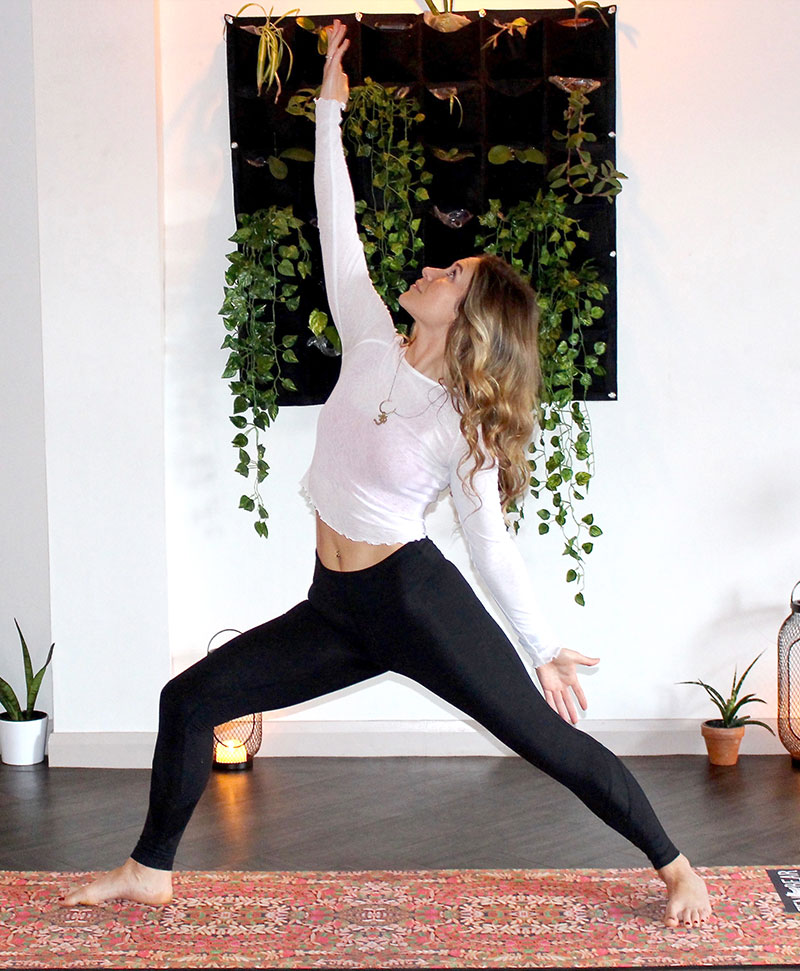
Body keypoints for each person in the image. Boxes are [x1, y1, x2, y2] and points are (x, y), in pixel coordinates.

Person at [63, 21, 711, 929]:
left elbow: (490, 544)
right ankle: (149, 869)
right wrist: (328, 113)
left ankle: (677, 865)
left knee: (544, 737)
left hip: (416, 603)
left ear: (469, 318)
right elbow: (338, 228)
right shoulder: (370, 337)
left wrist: (541, 645)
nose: (433, 268)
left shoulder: (460, 425)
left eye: (452, 273)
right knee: (191, 699)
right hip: (336, 606)